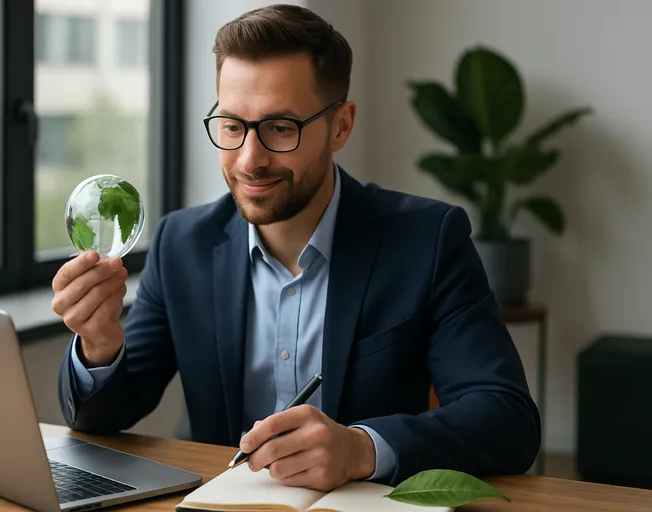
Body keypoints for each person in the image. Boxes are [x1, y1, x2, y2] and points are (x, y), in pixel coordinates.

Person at [52, 4, 540, 492]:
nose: (249, 159)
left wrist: (360, 448)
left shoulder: (427, 240)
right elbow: (106, 417)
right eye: (231, 125)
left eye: (281, 128)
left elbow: (507, 418)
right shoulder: (184, 244)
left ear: (341, 127)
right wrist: (98, 346)